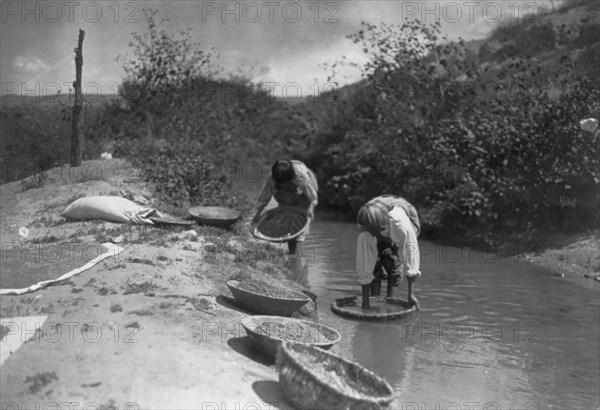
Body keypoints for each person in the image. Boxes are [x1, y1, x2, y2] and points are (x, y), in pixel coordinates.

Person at [356, 195, 421, 310]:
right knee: (375, 269)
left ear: (380, 227)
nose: (369, 233)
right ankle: (373, 301)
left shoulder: (401, 225)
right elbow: (364, 264)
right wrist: (365, 302)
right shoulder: (365, 231)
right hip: (379, 219)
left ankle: (391, 305)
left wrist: (411, 293)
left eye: (372, 230)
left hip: (400, 223)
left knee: (394, 266)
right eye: (368, 230)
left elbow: (411, 258)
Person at [252, 159, 318, 255]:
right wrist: (258, 214)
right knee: (287, 219)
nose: (284, 186)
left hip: (303, 194)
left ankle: (293, 254)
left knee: (297, 224)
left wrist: (310, 209)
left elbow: (312, 197)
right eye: (281, 184)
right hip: (284, 194)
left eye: (286, 184)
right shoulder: (272, 178)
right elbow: (264, 198)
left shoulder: (302, 177)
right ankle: (291, 251)